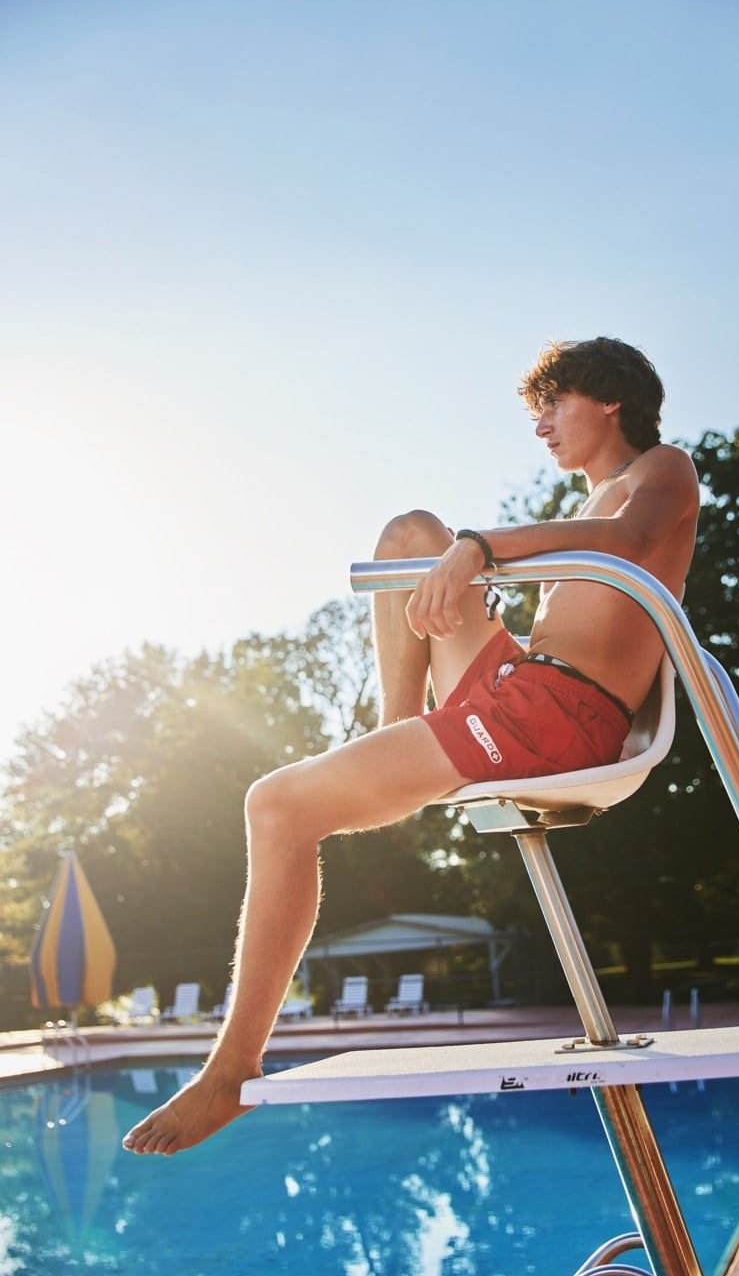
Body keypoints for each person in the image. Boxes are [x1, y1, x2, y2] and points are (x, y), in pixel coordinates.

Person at [123, 335, 699, 1156]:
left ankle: (230, 1069)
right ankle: (399, 729)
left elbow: (632, 545)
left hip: (557, 718)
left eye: (553, 402)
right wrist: (459, 555)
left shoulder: (661, 470)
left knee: (277, 807)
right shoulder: (583, 507)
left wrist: (481, 550)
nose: (539, 426)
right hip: (520, 692)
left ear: (610, 399)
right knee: (410, 534)